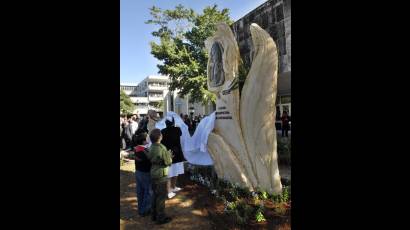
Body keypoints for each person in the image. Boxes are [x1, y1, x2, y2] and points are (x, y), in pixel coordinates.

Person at [147, 129, 173, 225]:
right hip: (161, 175)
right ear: (160, 137)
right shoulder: (162, 147)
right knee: (161, 197)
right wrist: (170, 156)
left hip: (153, 173)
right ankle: (160, 218)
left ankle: (153, 215)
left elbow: (150, 157)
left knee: (155, 195)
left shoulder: (151, 146)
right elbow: (168, 162)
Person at [161, 117, 186, 199]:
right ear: (173, 123)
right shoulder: (177, 129)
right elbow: (181, 133)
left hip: (168, 154)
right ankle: (169, 190)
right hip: (177, 154)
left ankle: (172, 188)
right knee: (174, 173)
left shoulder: (162, 131)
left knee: (170, 173)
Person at [133, 133, 152, 217]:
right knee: (148, 192)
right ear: (144, 141)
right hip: (145, 173)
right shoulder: (144, 150)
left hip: (138, 172)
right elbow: (150, 160)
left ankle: (141, 208)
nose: (148, 140)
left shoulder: (137, 148)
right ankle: (144, 210)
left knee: (140, 191)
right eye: (147, 138)